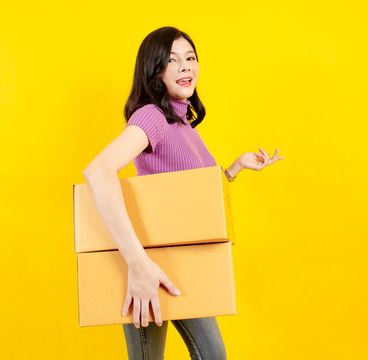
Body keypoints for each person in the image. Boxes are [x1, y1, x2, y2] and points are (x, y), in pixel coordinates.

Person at [83, 26, 284, 360]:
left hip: (181, 262)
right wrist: (138, 263)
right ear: (155, 70)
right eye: (173, 60)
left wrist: (233, 169)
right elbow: (98, 172)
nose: (186, 67)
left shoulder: (184, 123)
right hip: (149, 262)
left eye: (190, 58)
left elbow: (189, 197)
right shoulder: (153, 117)